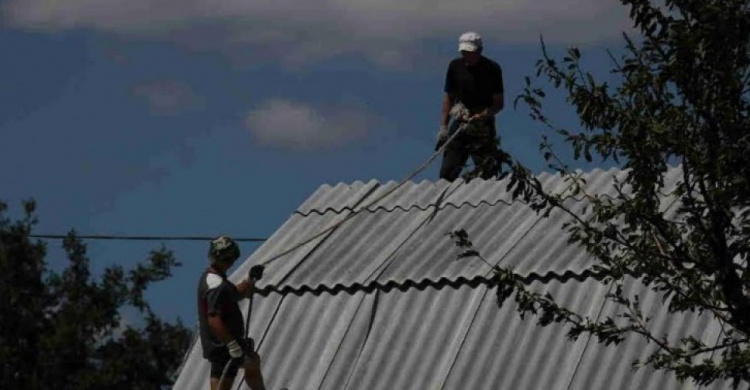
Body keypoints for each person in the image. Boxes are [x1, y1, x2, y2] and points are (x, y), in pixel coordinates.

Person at [197, 236, 266, 390]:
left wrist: (249, 280)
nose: (232, 262)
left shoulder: (214, 279)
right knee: (238, 372)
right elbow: (213, 319)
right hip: (223, 345)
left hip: (221, 344)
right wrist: (232, 345)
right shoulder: (216, 285)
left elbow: (235, 293)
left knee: (250, 364)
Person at [437, 31, 505, 181]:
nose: (466, 56)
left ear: (479, 51)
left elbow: (498, 104)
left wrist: (481, 116)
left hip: (482, 124)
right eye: (464, 52)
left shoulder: (492, 69)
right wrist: (443, 126)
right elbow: (449, 97)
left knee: (487, 171)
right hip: (461, 120)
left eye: (470, 52)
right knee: (447, 172)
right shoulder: (455, 67)